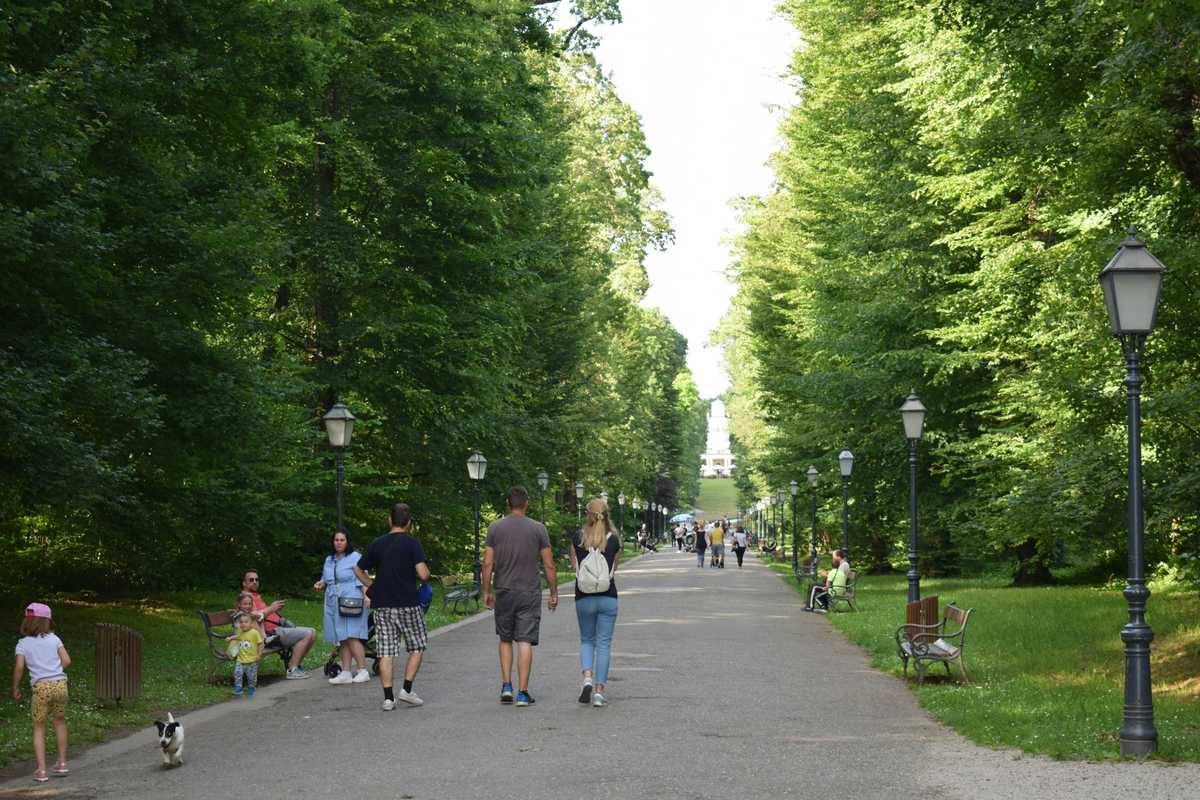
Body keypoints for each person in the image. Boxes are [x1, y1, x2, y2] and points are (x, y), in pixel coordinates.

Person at [482, 486, 557, 707]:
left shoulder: (495, 528)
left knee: (505, 638)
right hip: (529, 591)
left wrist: (486, 591)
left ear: (508, 503)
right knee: (524, 641)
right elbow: (549, 564)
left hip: (504, 590)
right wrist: (553, 592)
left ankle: (506, 686)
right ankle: (523, 693)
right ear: (526, 503)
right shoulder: (538, 529)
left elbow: (487, 563)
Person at [354, 503, 430, 710]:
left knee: (385, 651)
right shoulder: (412, 544)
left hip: (383, 605)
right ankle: (406, 689)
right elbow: (423, 574)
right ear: (409, 523)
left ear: (389, 520)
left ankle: (388, 698)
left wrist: (372, 585)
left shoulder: (377, 543)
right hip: (408, 604)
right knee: (417, 646)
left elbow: (358, 569)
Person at [570, 498, 621, 708]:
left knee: (586, 640)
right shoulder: (614, 539)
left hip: (584, 597)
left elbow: (575, 567)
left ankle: (587, 678)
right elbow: (613, 569)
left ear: (588, 514)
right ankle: (599, 692)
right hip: (608, 596)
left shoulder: (578, 537)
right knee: (604, 643)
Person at [12, 603, 70, 783]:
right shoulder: (54, 639)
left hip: (41, 688)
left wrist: (15, 687)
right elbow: (67, 661)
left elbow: (20, 667)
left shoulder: (23, 644)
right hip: (60, 685)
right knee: (59, 722)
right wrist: (53, 671)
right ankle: (61, 763)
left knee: (39, 727)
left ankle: (42, 770)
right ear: (46, 622)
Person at [314, 530, 370, 685]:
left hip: (350, 598)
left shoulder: (355, 557)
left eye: (342, 540)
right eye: (336, 540)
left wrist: (366, 596)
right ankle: (346, 671)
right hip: (332, 599)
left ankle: (362, 670)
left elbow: (363, 577)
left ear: (347, 541)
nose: (338, 542)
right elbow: (326, 578)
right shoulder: (329, 559)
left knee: (351, 635)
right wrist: (321, 583)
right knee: (342, 637)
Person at [241, 570, 316, 679]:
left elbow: (262, 612)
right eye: (251, 580)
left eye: (257, 580)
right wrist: (271, 609)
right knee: (308, 633)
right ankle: (292, 669)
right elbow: (252, 616)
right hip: (269, 634)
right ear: (244, 583)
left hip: (277, 628)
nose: (255, 582)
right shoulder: (245, 598)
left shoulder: (255, 596)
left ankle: (296, 665)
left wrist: (275, 612)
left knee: (313, 632)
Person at [226, 612, 263, 697]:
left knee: (251, 676)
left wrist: (259, 654)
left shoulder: (254, 633)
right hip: (240, 659)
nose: (243, 624)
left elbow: (260, 643)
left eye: (246, 622)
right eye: (241, 622)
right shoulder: (241, 632)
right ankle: (238, 688)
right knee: (237, 674)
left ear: (251, 623)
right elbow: (237, 636)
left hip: (252, 660)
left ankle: (251, 687)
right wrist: (230, 638)